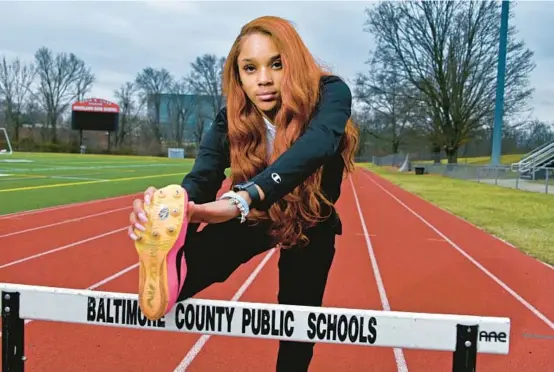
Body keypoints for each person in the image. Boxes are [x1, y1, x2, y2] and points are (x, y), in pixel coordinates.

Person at [128, 15, 359, 371]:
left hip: (311, 218)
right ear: (238, 75)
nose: (263, 80)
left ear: (294, 63)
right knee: (199, 263)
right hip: (256, 216)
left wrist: (244, 196)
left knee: (297, 318)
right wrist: (172, 209)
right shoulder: (230, 119)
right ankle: (173, 266)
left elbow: (317, 146)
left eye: (276, 65)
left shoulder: (330, 94)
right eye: (250, 69)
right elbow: (202, 178)